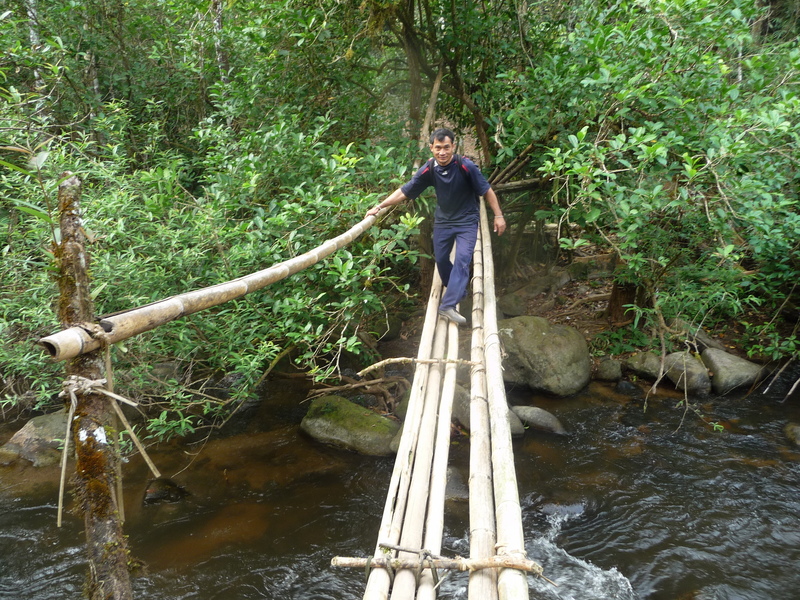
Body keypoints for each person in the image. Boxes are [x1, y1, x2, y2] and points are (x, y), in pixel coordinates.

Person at [365, 128, 506, 325]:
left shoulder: (465, 166)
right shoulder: (429, 168)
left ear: (453, 147)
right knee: (440, 260)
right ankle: (457, 289)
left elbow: (487, 191)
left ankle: (447, 305)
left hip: (466, 220)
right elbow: (405, 191)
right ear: (431, 148)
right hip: (444, 221)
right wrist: (380, 206)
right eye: (438, 148)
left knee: (463, 260)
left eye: (446, 147)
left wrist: (498, 216)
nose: (442, 152)